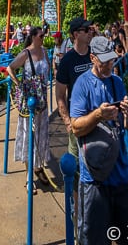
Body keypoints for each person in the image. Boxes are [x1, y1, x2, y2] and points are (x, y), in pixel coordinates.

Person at [70, 35, 128, 245]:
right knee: (95, 239)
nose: (109, 64)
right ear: (92, 57)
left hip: (121, 176)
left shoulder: (117, 82)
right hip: (95, 178)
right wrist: (98, 115)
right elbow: (76, 127)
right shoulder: (83, 84)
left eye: (111, 60)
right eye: (104, 60)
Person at [7, 26, 51, 192]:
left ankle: (38, 167)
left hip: (43, 101)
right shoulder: (25, 54)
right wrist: (19, 85)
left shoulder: (45, 52)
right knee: (29, 135)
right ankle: (28, 177)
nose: (43, 38)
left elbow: (48, 72)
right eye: (40, 35)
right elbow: (10, 67)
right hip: (30, 102)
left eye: (43, 35)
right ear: (33, 37)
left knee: (41, 135)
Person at [55, 18, 94, 169]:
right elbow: (60, 95)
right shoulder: (67, 61)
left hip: (97, 115)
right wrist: (67, 122)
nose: (90, 32)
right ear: (76, 34)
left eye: (91, 29)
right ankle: (74, 191)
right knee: (74, 162)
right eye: (86, 30)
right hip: (77, 118)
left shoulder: (95, 55)